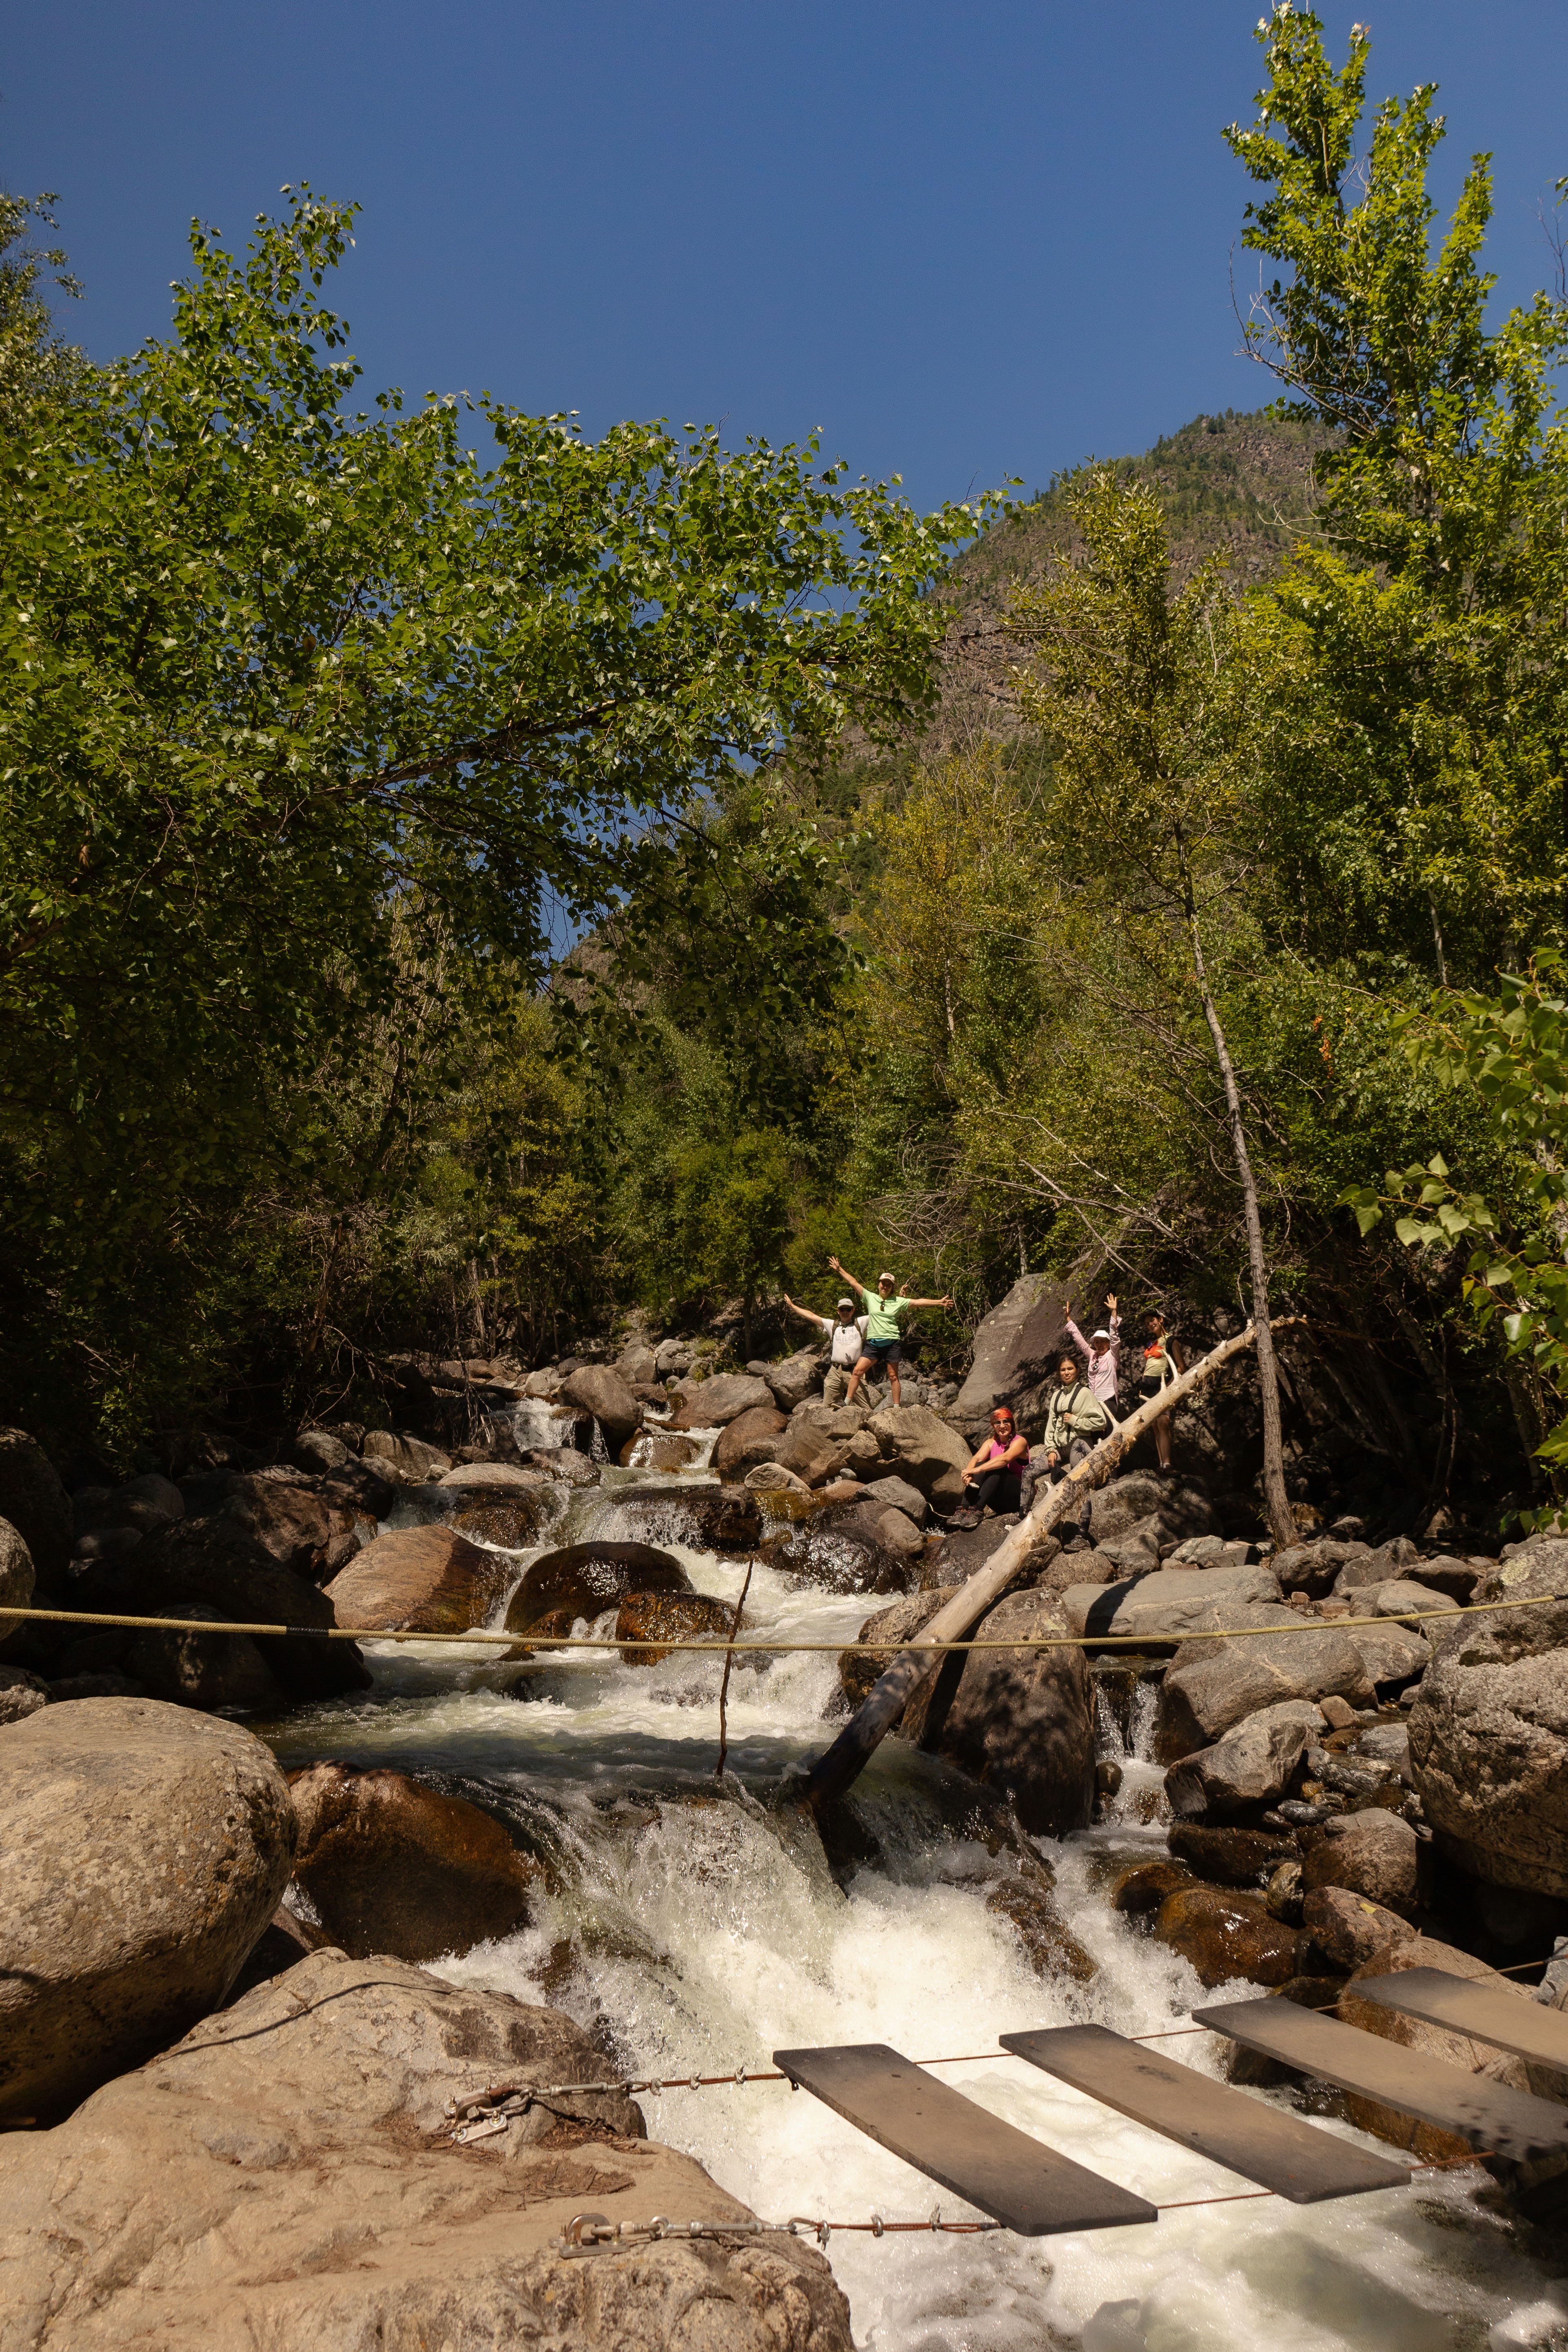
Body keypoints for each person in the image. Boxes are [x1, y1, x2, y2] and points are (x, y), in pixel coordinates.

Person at [827, 1255, 955, 1408]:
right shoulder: (870, 1298)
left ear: (892, 1288)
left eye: (889, 1285)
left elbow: (918, 1302)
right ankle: (846, 1402)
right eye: (883, 1283)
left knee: (893, 1376)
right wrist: (839, 1269)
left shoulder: (898, 1301)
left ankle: (896, 1407)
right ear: (879, 1284)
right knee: (857, 1372)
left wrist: (939, 1302)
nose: (885, 1287)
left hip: (892, 1344)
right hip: (873, 1345)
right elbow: (853, 1282)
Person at [1042, 1351, 1110, 1544]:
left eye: (1070, 1369)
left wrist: (1075, 1421)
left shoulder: (1085, 1393)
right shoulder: (1057, 1396)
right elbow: (1051, 1425)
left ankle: (1082, 1536)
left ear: (1078, 1371)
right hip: (1060, 1446)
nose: (1066, 1373)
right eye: (1063, 1370)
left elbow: (1101, 1422)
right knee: (1030, 1472)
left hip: (1080, 1443)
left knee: (1080, 1485)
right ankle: (1024, 1517)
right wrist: (1050, 1449)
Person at [782, 1291, 867, 1405]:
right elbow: (812, 1316)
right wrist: (793, 1307)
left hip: (855, 1372)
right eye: (842, 1309)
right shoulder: (832, 1325)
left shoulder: (860, 1323)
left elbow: (878, 1313)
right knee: (827, 1407)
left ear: (853, 1310)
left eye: (848, 1309)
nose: (845, 1312)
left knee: (864, 1407)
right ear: (838, 1311)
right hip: (835, 1372)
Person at [951, 1405, 1029, 1529]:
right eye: (998, 1423)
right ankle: (964, 1509)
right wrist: (969, 1474)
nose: (1002, 1426)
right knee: (981, 1465)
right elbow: (976, 1459)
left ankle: (978, 1510)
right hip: (998, 1502)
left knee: (997, 1467)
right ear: (994, 1426)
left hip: (1019, 1499)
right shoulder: (991, 1443)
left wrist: (977, 1470)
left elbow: (1005, 1459)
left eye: (1006, 1422)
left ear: (1012, 1424)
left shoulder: (1020, 1442)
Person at [1138, 1310, 1185, 1472]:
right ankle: (1161, 1465)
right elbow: (1149, 1364)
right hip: (1147, 1386)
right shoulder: (1151, 1343)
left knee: (1163, 1423)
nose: (1150, 1325)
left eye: (1152, 1321)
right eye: (1147, 1323)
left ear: (1161, 1320)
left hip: (1162, 1384)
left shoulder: (1172, 1341)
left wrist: (1168, 1387)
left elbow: (1182, 1367)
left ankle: (1168, 1464)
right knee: (1155, 1426)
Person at [1065, 1292, 1121, 1417]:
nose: (1100, 1345)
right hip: (1093, 1402)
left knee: (1108, 1428)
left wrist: (1114, 1311)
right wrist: (1068, 1318)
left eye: (1103, 1341)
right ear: (1094, 1344)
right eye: (1097, 1342)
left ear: (1108, 1343)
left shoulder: (1112, 1355)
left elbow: (1114, 1336)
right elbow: (1079, 1340)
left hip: (1108, 1399)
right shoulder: (1093, 1356)